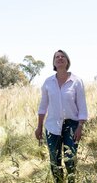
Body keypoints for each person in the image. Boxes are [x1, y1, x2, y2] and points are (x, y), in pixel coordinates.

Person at [35, 50, 88, 183]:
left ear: (67, 61)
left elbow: (82, 106)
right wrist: (39, 127)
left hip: (72, 125)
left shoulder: (76, 81)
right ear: (54, 62)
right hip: (52, 126)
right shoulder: (48, 82)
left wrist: (80, 127)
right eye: (56, 57)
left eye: (62, 56)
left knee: (70, 160)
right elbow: (43, 106)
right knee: (54, 161)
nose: (59, 58)